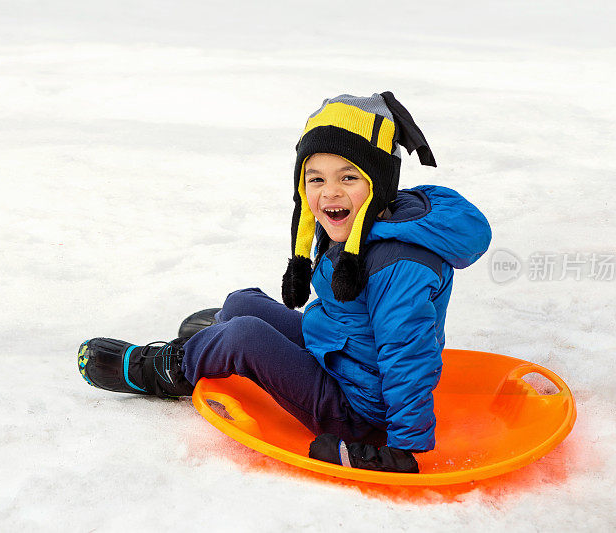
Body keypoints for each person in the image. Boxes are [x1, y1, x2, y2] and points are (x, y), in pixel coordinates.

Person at [77, 92, 492, 473]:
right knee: (242, 303)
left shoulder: (398, 264)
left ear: (378, 182)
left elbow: (408, 354)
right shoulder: (366, 223)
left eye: (349, 178)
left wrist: (403, 448)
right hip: (339, 352)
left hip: (360, 410)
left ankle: (170, 370)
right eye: (317, 179)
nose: (330, 193)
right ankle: (218, 342)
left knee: (245, 335)